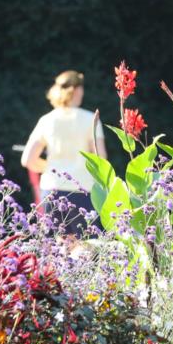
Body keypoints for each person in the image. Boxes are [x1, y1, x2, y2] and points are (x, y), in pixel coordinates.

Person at [21, 70, 108, 237]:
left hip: (51, 190)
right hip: (83, 191)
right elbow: (101, 159)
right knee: (86, 249)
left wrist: (49, 167)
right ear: (77, 90)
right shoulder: (91, 119)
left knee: (55, 251)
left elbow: (28, 160)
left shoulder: (47, 120)